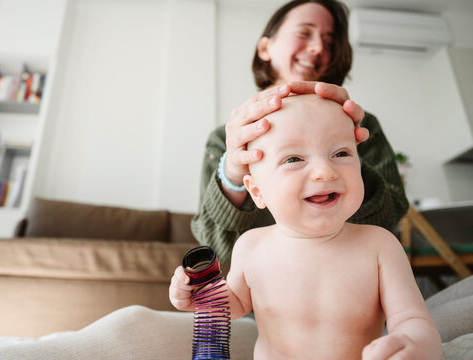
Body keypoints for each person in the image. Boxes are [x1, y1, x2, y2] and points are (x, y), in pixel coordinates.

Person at [171, 94, 442, 359]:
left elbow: (411, 317)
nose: (325, 170)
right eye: (293, 159)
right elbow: (236, 303)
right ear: (257, 192)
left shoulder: (379, 245)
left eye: (341, 153)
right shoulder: (251, 246)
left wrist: (414, 344)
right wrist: (201, 297)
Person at [191, 0, 409, 265]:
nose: (318, 48)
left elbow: (389, 218)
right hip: (263, 302)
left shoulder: (362, 125)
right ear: (265, 47)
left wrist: (344, 156)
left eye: (328, 43)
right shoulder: (223, 140)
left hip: (355, 284)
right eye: (304, 33)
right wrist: (233, 174)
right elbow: (218, 249)